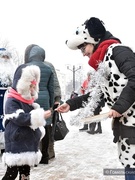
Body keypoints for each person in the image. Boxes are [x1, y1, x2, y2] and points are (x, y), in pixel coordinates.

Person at [57, 17, 135, 179]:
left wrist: (119, 107)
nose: (83, 53)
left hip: (132, 123)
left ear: (94, 40)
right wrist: (71, 104)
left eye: (83, 47)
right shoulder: (104, 61)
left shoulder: (119, 51)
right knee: (129, 166)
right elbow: (97, 95)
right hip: (126, 125)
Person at [1, 64, 51, 180]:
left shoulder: (28, 102)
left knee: (25, 174)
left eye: (34, 86)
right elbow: (20, 118)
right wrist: (39, 116)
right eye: (30, 86)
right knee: (11, 174)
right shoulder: (12, 101)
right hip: (15, 144)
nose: (32, 89)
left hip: (27, 143)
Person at [24, 44, 54, 164]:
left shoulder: (25, 67)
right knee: (45, 127)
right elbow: (51, 89)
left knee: (31, 127)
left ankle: (33, 156)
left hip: (30, 99)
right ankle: (45, 156)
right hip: (45, 99)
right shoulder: (48, 69)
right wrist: (51, 104)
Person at [44, 60, 62, 160]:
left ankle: (49, 151)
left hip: (49, 100)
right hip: (48, 99)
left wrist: (57, 98)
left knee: (48, 126)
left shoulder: (48, 65)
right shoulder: (48, 65)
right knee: (47, 126)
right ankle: (47, 151)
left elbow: (55, 82)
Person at [0, 48, 16, 153]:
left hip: (9, 96)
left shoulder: (13, 70)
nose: (5, 59)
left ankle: (6, 143)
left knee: (8, 117)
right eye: (3, 57)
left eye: (7, 57)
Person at [79, 70, 102, 134]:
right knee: (91, 114)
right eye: (88, 76)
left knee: (95, 114)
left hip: (95, 100)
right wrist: (83, 91)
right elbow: (82, 89)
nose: (89, 77)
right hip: (87, 99)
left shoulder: (95, 81)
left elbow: (98, 91)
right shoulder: (85, 81)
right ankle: (91, 127)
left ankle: (93, 128)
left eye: (90, 76)